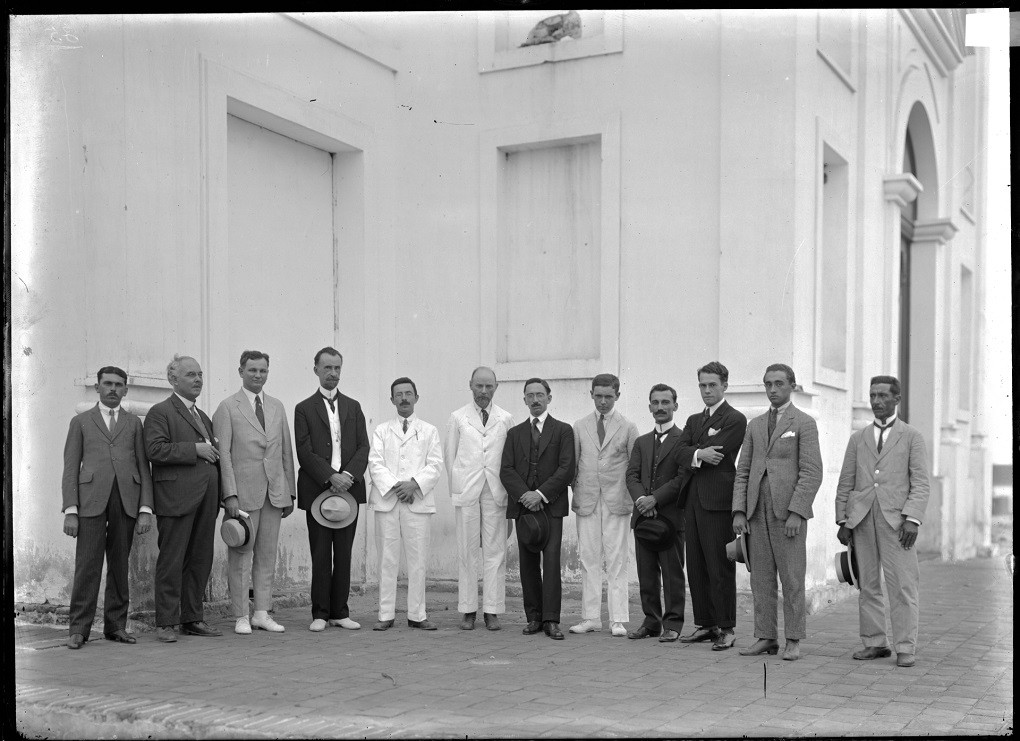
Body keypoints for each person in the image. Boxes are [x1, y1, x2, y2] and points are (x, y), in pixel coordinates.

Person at [835, 375, 930, 668]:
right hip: (862, 520)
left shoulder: (911, 436)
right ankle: (875, 642)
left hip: (898, 523)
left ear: (896, 399)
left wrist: (912, 519)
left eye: (883, 396)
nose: (876, 401)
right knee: (867, 584)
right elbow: (846, 481)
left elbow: (921, 483)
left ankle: (905, 646)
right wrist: (843, 520)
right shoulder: (858, 438)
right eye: (873, 395)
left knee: (902, 585)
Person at [732, 363, 822, 661]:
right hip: (756, 512)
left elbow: (812, 472)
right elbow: (743, 470)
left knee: (792, 578)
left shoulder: (804, 422)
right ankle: (766, 636)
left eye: (779, 383)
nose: (772, 389)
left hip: (788, 515)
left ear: (792, 386)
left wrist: (798, 511)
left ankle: (793, 639)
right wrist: (739, 511)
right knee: (760, 579)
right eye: (768, 384)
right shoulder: (755, 425)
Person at [61, 366, 153, 649]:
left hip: (126, 499)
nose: (113, 389)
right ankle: (79, 629)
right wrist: (71, 510)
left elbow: (143, 467)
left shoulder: (134, 423)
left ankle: (116, 626)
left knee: (119, 565)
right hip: (90, 501)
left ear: (125, 390)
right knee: (87, 565)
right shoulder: (81, 422)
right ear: (97, 387)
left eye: (118, 385)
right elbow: (70, 468)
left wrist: (145, 508)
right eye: (108, 383)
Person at [212, 350, 296, 636]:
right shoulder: (227, 407)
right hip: (243, 496)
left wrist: (289, 492)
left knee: (267, 555)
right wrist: (229, 495)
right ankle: (240, 615)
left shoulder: (277, 406)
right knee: (241, 555)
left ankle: (261, 612)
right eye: (252, 370)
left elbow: (285, 451)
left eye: (263, 371)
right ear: (241, 371)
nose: (258, 375)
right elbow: (223, 455)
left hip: (274, 493)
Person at [145, 355, 223, 643]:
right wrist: (195, 449)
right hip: (176, 498)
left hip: (206, 499)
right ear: (173, 379)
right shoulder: (160, 412)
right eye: (191, 374)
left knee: (200, 560)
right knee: (172, 560)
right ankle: (166, 622)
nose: (198, 379)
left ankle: (192, 618)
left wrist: (222, 494)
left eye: (200, 374)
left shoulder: (203, 417)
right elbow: (155, 450)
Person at [294, 347, 370, 633]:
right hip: (318, 490)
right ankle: (320, 613)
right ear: (316, 369)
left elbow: (363, 446)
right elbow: (304, 450)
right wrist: (330, 477)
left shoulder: (354, 406)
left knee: (345, 553)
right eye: (327, 367)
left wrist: (347, 476)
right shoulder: (304, 408)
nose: (333, 373)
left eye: (337, 368)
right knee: (321, 553)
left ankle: (340, 611)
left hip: (349, 489)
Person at [676, 361, 747, 650]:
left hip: (717, 502)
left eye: (712, 385)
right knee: (695, 566)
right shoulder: (693, 419)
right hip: (692, 500)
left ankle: (726, 628)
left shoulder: (735, 418)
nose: (707, 390)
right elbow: (678, 452)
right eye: (703, 385)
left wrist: (695, 452)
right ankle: (705, 624)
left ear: (725, 386)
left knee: (719, 567)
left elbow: (719, 451)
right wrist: (699, 453)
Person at [500, 378, 575, 640]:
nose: (535, 400)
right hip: (524, 508)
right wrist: (525, 496)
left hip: (551, 507)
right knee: (527, 563)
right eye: (530, 395)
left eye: (540, 395)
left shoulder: (563, 430)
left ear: (549, 398)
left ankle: (551, 620)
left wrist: (540, 494)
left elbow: (566, 469)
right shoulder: (514, 433)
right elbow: (506, 470)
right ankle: (533, 617)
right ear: (524, 400)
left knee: (552, 562)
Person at [368, 377, 444, 631]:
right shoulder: (381, 430)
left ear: (416, 397)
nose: (404, 398)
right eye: (398, 394)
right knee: (387, 560)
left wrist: (413, 484)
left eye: (408, 393)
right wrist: (397, 487)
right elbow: (375, 463)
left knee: (418, 560)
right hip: (388, 501)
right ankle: (385, 614)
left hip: (417, 501)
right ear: (392, 399)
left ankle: (417, 615)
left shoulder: (429, 430)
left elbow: (435, 465)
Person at [445, 366, 515, 631]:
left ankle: (492, 610)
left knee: (496, 552)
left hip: (496, 490)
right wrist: (457, 489)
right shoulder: (458, 418)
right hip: (468, 490)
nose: (483, 391)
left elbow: (510, 456)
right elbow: (450, 456)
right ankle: (468, 609)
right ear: (470, 385)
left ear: (496, 387)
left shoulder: (505, 418)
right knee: (467, 551)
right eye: (479, 386)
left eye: (488, 386)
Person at [570, 373, 639, 637]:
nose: (602, 401)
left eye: (608, 396)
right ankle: (590, 617)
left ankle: (618, 619)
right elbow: (574, 462)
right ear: (591, 395)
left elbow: (635, 465)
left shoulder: (628, 427)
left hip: (616, 499)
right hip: (587, 498)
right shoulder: (580, 426)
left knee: (617, 559)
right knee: (588, 558)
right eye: (598, 396)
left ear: (617, 396)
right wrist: (578, 488)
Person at [624, 383, 687, 642]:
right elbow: (632, 475)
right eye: (656, 402)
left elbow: (682, 478)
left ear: (675, 406)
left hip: (671, 518)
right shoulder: (641, 442)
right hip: (643, 519)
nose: (660, 407)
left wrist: (655, 500)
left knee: (673, 575)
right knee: (646, 574)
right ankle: (651, 622)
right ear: (650, 406)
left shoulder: (684, 440)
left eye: (665, 402)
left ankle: (672, 624)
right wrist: (642, 500)